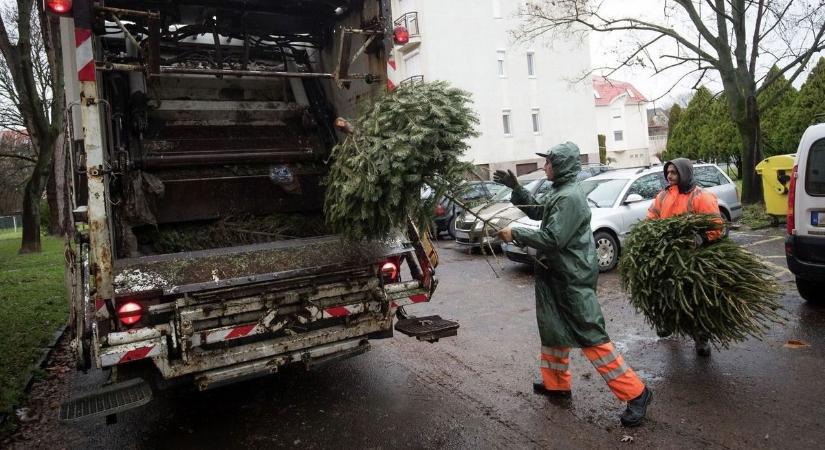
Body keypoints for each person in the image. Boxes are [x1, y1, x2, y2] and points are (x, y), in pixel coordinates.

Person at [494, 142, 651, 428]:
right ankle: (556, 384)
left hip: (571, 277)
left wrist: (515, 232)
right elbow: (539, 211)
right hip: (556, 274)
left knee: (591, 335)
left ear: (562, 165)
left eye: (549, 163)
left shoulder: (569, 198)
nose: (544, 167)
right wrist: (517, 188)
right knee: (553, 329)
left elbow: (554, 239)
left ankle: (636, 393)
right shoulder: (559, 192)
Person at [645, 158, 724, 357]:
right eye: (668, 172)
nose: (669, 176)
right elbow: (652, 217)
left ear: (684, 173)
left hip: (693, 257)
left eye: (673, 172)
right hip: (668, 255)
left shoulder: (701, 197)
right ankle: (669, 322)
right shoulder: (663, 196)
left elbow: (716, 225)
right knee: (667, 293)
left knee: (695, 298)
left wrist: (701, 237)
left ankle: (701, 338)